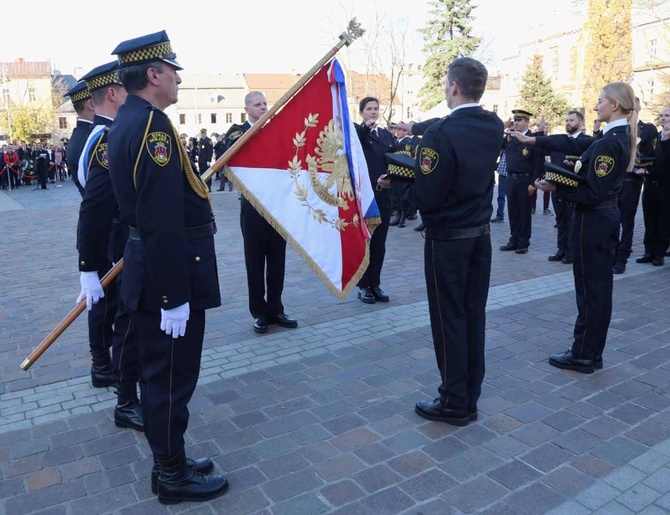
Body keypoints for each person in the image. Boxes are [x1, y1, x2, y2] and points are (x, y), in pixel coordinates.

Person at [108, 30, 227, 504]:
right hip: (167, 276)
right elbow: (159, 219)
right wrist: (174, 296)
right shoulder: (152, 127)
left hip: (153, 269)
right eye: (173, 70)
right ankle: (172, 475)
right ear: (153, 74)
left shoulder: (130, 119)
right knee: (170, 380)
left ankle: (171, 459)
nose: (178, 78)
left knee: (164, 377)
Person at [379, 57, 503, 425]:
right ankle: (470, 395)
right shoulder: (493, 124)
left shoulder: (439, 136)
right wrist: (415, 127)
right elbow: (454, 126)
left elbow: (429, 196)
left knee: (448, 319)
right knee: (472, 316)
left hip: (447, 240)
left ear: (453, 87)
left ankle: (453, 400)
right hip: (480, 237)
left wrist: (401, 180)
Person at [512, 82, 637, 373]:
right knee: (596, 287)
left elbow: (593, 192)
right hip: (601, 219)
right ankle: (591, 351)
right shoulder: (611, 136)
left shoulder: (609, 142)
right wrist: (534, 141)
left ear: (615, 105)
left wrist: (557, 187)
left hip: (593, 220)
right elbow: (573, 145)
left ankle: (584, 353)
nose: (595, 107)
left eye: (600, 100)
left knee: (590, 288)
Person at [76, 61, 143, 431]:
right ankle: (126, 399)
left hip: (113, 239)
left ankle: (126, 392)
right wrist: (88, 265)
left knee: (124, 318)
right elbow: (96, 205)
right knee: (126, 320)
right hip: (116, 241)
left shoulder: (102, 134)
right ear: (114, 93)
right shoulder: (107, 139)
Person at [224, 91, 298, 333]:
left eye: (265, 103)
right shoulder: (237, 132)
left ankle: (276, 309)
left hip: (277, 206)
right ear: (247, 109)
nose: (264, 108)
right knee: (254, 262)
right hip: (253, 207)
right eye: (258, 105)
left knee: (277, 261)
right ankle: (259, 312)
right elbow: (228, 156)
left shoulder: (276, 131)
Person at [355, 97, 394, 303]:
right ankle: (363, 285)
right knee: (366, 242)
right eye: (369, 109)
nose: (373, 112)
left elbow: (395, 159)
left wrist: (391, 178)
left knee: (380, 243)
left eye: (376, 109)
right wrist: (364, 128)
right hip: (365, 196)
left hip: (384, 195)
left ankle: (375, 283)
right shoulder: (358, 134)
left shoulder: (387, 135)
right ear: (361, 112)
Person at [612, 97, 657, 274]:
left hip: (632, 181)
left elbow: (652, 155)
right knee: (613, 219)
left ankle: (622, 257)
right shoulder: (619, 128)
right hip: (615, 180)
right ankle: (613, 252)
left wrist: (642, 167)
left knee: (627, 221)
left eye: (634, 103)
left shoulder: (647, 129)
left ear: (638, 106)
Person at [545, 110, 590, 264]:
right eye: (566, 120)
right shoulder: (562, 141)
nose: (568, 123)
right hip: (557, 187)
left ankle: (572, 252)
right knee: (561, 219)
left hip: (574, 188)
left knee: (573, 220)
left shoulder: (586, 142)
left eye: (571, 120)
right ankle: (561, 249)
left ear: (581, 123)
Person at [499, 109, 545, 254]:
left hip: (525, 180)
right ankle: (514, 239)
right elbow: (499, 146)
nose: (516, 123)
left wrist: (533, 183)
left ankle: (523, 242)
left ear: (527, 122)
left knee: (524, 212)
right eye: (515, 120)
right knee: (512, 211)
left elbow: (538, 163)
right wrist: (504, 131)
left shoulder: (532, 139)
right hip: (511, 179)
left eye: (519, 120)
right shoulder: (511, 137)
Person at [637, 107, 670, 265]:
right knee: (649, 219)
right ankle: (648, 252)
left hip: (666, 187)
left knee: (663, 220)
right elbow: (647, 157)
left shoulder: (666, 140)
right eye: (662, 115)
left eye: (667, 116)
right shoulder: (655, 137)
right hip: (650, 185)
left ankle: (659, 253)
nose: (663, 118)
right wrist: (643, 167)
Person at [492, 120, 513, 223]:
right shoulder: (504, 141)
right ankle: (500, 215)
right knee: (501, 195)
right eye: (508, 131)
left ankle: (514, 216)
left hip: (512, 173)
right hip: (502, 171)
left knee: (512, 196)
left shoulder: (518, 141)